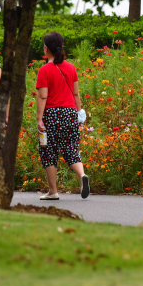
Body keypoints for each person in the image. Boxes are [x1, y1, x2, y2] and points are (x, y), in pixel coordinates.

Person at [35, 31, 89, 200]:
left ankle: (53, 191)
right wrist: (79, 115)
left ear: (46, 49)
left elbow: (42, 96)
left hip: (51, 114)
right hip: (70, 113)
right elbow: (76, 94)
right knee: (71, 148)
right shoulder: (71, 67)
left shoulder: (44, 70)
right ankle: (82, 176)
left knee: (48, 151)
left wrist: (39, 119)